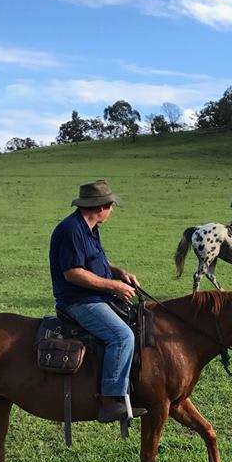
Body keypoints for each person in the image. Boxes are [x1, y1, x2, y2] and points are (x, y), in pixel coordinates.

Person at [49, 180, 146, 424]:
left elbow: (97, 262)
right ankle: (109, 401)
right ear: (100, 207)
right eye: (111, 206)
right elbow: (74, 273)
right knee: (122, 336)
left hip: (96, 296)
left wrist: (119, 273)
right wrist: (114, 286)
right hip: (78, 301)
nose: (112, 210)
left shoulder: (89, 227)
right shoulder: (71, 230)